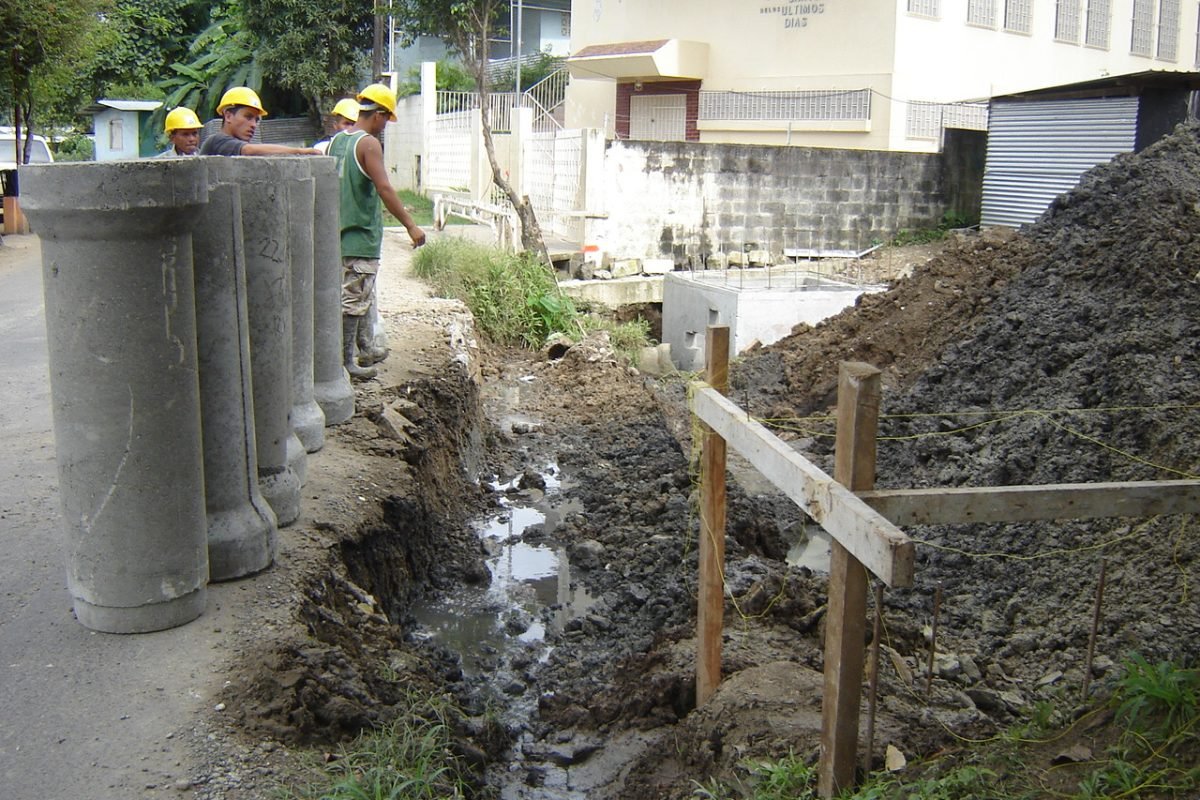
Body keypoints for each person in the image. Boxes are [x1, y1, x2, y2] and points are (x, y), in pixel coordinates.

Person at [327, 82, 425, 380]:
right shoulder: (368, 144)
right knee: (354, 301)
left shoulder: (336, 142)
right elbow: (384, 187)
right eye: (386, 119)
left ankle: (363, 349)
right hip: (361, 237)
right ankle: (346, 364)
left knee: (352, 297)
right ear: (379, 114)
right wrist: (411, 225)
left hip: (339, 236)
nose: (385, 126)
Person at [198, 87, 321, 156]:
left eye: (257, 120)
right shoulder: (217, 141)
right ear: (228, 116)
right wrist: (300, 151)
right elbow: (249, 150)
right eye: (248, 117)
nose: (253, 125)